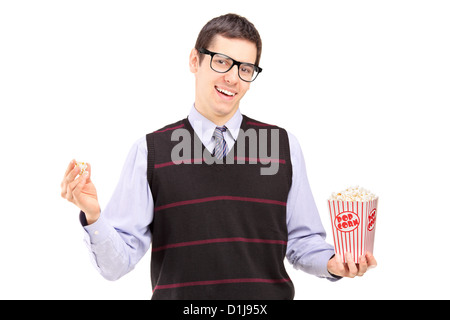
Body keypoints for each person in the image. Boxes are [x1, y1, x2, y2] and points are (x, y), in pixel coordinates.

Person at [61, 13, 377, 300]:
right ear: (194, 61)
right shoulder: (151, 151)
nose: (233, 78)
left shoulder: (282, 146)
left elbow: (302, 240)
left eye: (245, 68)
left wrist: (333, 263)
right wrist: (93, 216)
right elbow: (116, 265)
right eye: (222, 62)